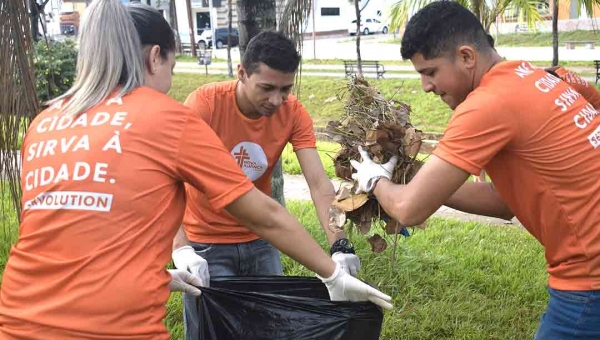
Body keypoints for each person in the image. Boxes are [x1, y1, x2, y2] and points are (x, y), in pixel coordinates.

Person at [0, 1, 392, 339]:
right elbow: (266, 214)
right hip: (112, 326)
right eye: (170, 66)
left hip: (17, 317)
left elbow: (77, 229)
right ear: (155, 56)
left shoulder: (46, 122)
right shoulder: (168, 117)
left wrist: (160, 275)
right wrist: (332, 275)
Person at [351, 2, 600, 339]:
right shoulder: (535, 77)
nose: (426, 86)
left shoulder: (487, 104)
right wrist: (417, 180)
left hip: (589, 277)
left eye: (431, 71)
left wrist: (374, 179)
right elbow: (504, 202)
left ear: (467, 57)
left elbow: (408, 209)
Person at [173, 30, 362, 340]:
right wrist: (181, 249)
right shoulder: (205, 105)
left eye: (285, 89)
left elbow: (318, 183)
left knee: (269, 328)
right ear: (242, 73)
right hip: (205, 245)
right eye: (267, 88)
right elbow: (170, 181)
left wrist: (339, 244)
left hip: (261, 242)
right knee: (209, 331)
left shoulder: (293, 112)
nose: (276, 100)